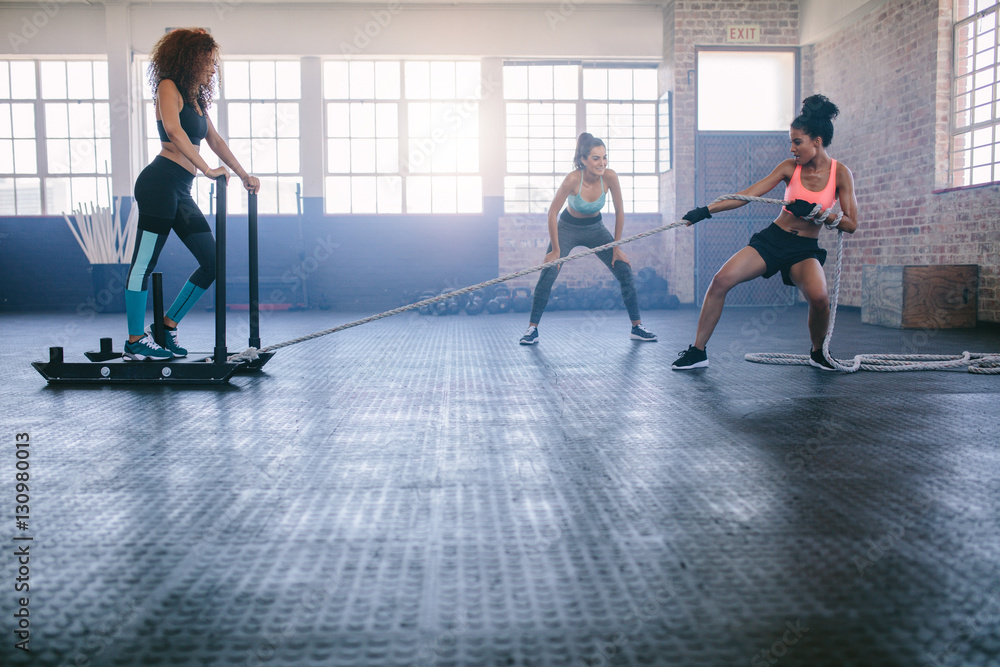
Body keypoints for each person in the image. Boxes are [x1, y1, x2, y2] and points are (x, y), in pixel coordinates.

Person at [672, 94, 858, 371]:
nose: (792, 148)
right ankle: (698, 351)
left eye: (797, 142)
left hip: (805, 249)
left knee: (820, 299)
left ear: (816, 141)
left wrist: (818, 213)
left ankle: (818, 353)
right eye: (791, 142)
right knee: (721, 280)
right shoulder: (789, 168)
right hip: (773, 240)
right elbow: (747, 195)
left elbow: (851, 223)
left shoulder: (840, 174)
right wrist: (706, 210)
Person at [123, 28, 260, 361]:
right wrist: (207, 169)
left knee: (212, 262)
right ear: (190, 58)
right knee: (145, 262)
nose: (213, 70)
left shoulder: (197, 97)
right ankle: (134, 339)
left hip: (180, 189)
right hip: (158, 183)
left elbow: (215, 141)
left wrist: (243, 175)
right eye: (209, 62)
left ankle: (166, 326)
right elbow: (173, 130)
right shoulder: (167, 87)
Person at [519, 133, 657, 345]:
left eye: (604, 157)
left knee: (623, 269)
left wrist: (616, 247)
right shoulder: (573, 179)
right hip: (567, 228)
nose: (602, 163)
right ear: (583, 160)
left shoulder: (610, 177)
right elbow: (552, 213)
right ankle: (532, 329)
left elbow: (620, 210)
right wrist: (556, 250)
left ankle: (637, 327)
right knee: (548, 273)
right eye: (595, 158)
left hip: (596, 229)